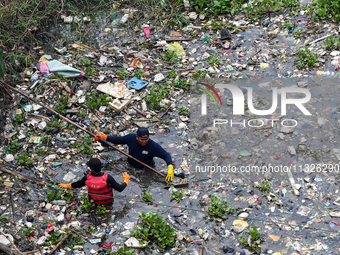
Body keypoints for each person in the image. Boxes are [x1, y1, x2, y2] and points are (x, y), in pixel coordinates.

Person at [94, 127, 174, 182]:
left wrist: (170, 167)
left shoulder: (153, 146)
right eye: (142, 139)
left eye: (146, 139)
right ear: (137, 137)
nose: (144, 141)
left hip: (145, 167)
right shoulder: (131, 138)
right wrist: (105, 137)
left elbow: (166, 155)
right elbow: (118, 140)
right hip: (130, 163)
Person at [58, 158, 130, 205]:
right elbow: (120, 189)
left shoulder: (87, 178)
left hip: (93, 203)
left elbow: (78, 184)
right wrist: (126, 180)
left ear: (91, 169)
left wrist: (67, 185)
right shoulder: (108, 177)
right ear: (100, 168)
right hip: (108, 203)